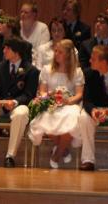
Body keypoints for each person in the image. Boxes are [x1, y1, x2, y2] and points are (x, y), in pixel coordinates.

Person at [0, 37, 39, 168]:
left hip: (19, 105)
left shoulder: (31, 70)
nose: (4, 50)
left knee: (21, 115)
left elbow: (29, 95)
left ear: (17, 52)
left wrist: (15, 102)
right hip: (0, 104)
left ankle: (10, 156)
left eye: (7, 48)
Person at [28, 39, 84, 169]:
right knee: (47, 117)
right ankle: (63, 149)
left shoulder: (77, 72)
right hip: (51, 103)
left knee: (73, 116)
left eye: (60, 52)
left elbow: (79, 94)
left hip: (69, 104)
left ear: (68, 55)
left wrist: (68, 101)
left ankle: (57, 154)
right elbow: (42, 91)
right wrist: (49, 98)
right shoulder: (47, 70)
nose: (56, 54)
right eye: (56, 51)